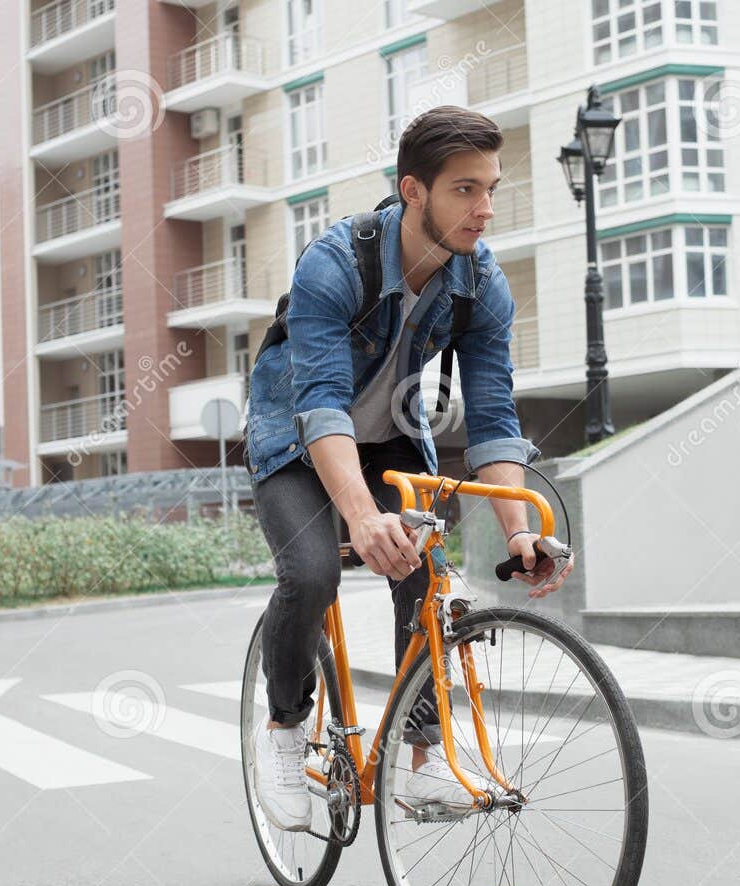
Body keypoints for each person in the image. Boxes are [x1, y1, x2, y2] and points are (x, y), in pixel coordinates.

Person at [243, 105, 574, 833]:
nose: (485, 209)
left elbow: (493, 420)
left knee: (426, 574)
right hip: (299, 432)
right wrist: (361, 520)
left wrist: (519, 534)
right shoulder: (335, 262)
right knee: (310, 573)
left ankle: (424, 763)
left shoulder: (482, 286)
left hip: (390, 432)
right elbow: (322, 406)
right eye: (464, 189)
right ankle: (283, 726)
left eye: (491, 187)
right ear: (413, 191)